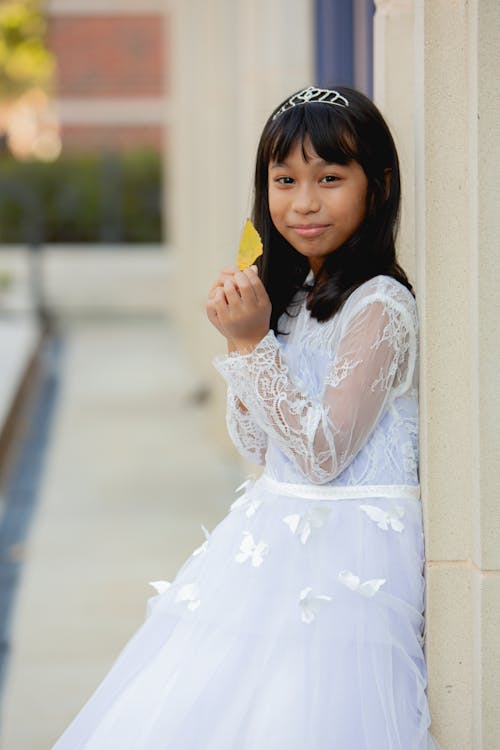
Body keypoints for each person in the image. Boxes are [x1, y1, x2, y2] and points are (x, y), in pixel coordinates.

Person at [52, 86, 438, 749]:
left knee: (306, 714)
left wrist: (251, 345)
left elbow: (321, 455)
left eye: (329, 178)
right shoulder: (295, 294)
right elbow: (259, 443)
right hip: (272, 536)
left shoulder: (380, 303)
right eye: (284, 180)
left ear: (378, 186)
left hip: (349, 556)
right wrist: (248, 338)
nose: (304, 202)